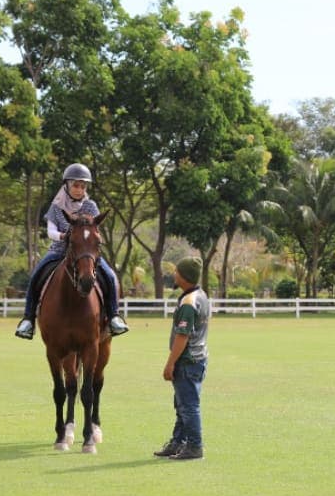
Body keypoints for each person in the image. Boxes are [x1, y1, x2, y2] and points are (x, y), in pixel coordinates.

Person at [14, 163, 130, 340]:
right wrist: (63, 236)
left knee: (111, 277)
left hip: (86, 252)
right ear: (67, 185)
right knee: (36, 276)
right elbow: (50, 231)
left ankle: (113, 316)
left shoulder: (90, 206)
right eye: (76, 185)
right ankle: (28, 320)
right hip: (59, 250)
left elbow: (95, 228)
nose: (79, 189)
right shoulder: (56, 207)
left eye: (83, 186)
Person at [153, 257, 209, 460]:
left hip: (187, 361)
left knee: (188, 406)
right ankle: (179, 442)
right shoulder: (200, 295)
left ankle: (194, 446)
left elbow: (182, 336)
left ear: (185, 277)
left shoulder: (188, 302)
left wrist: (170, 363)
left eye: (177, 272)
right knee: (183, 405)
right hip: (198, 358)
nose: (174, 274)